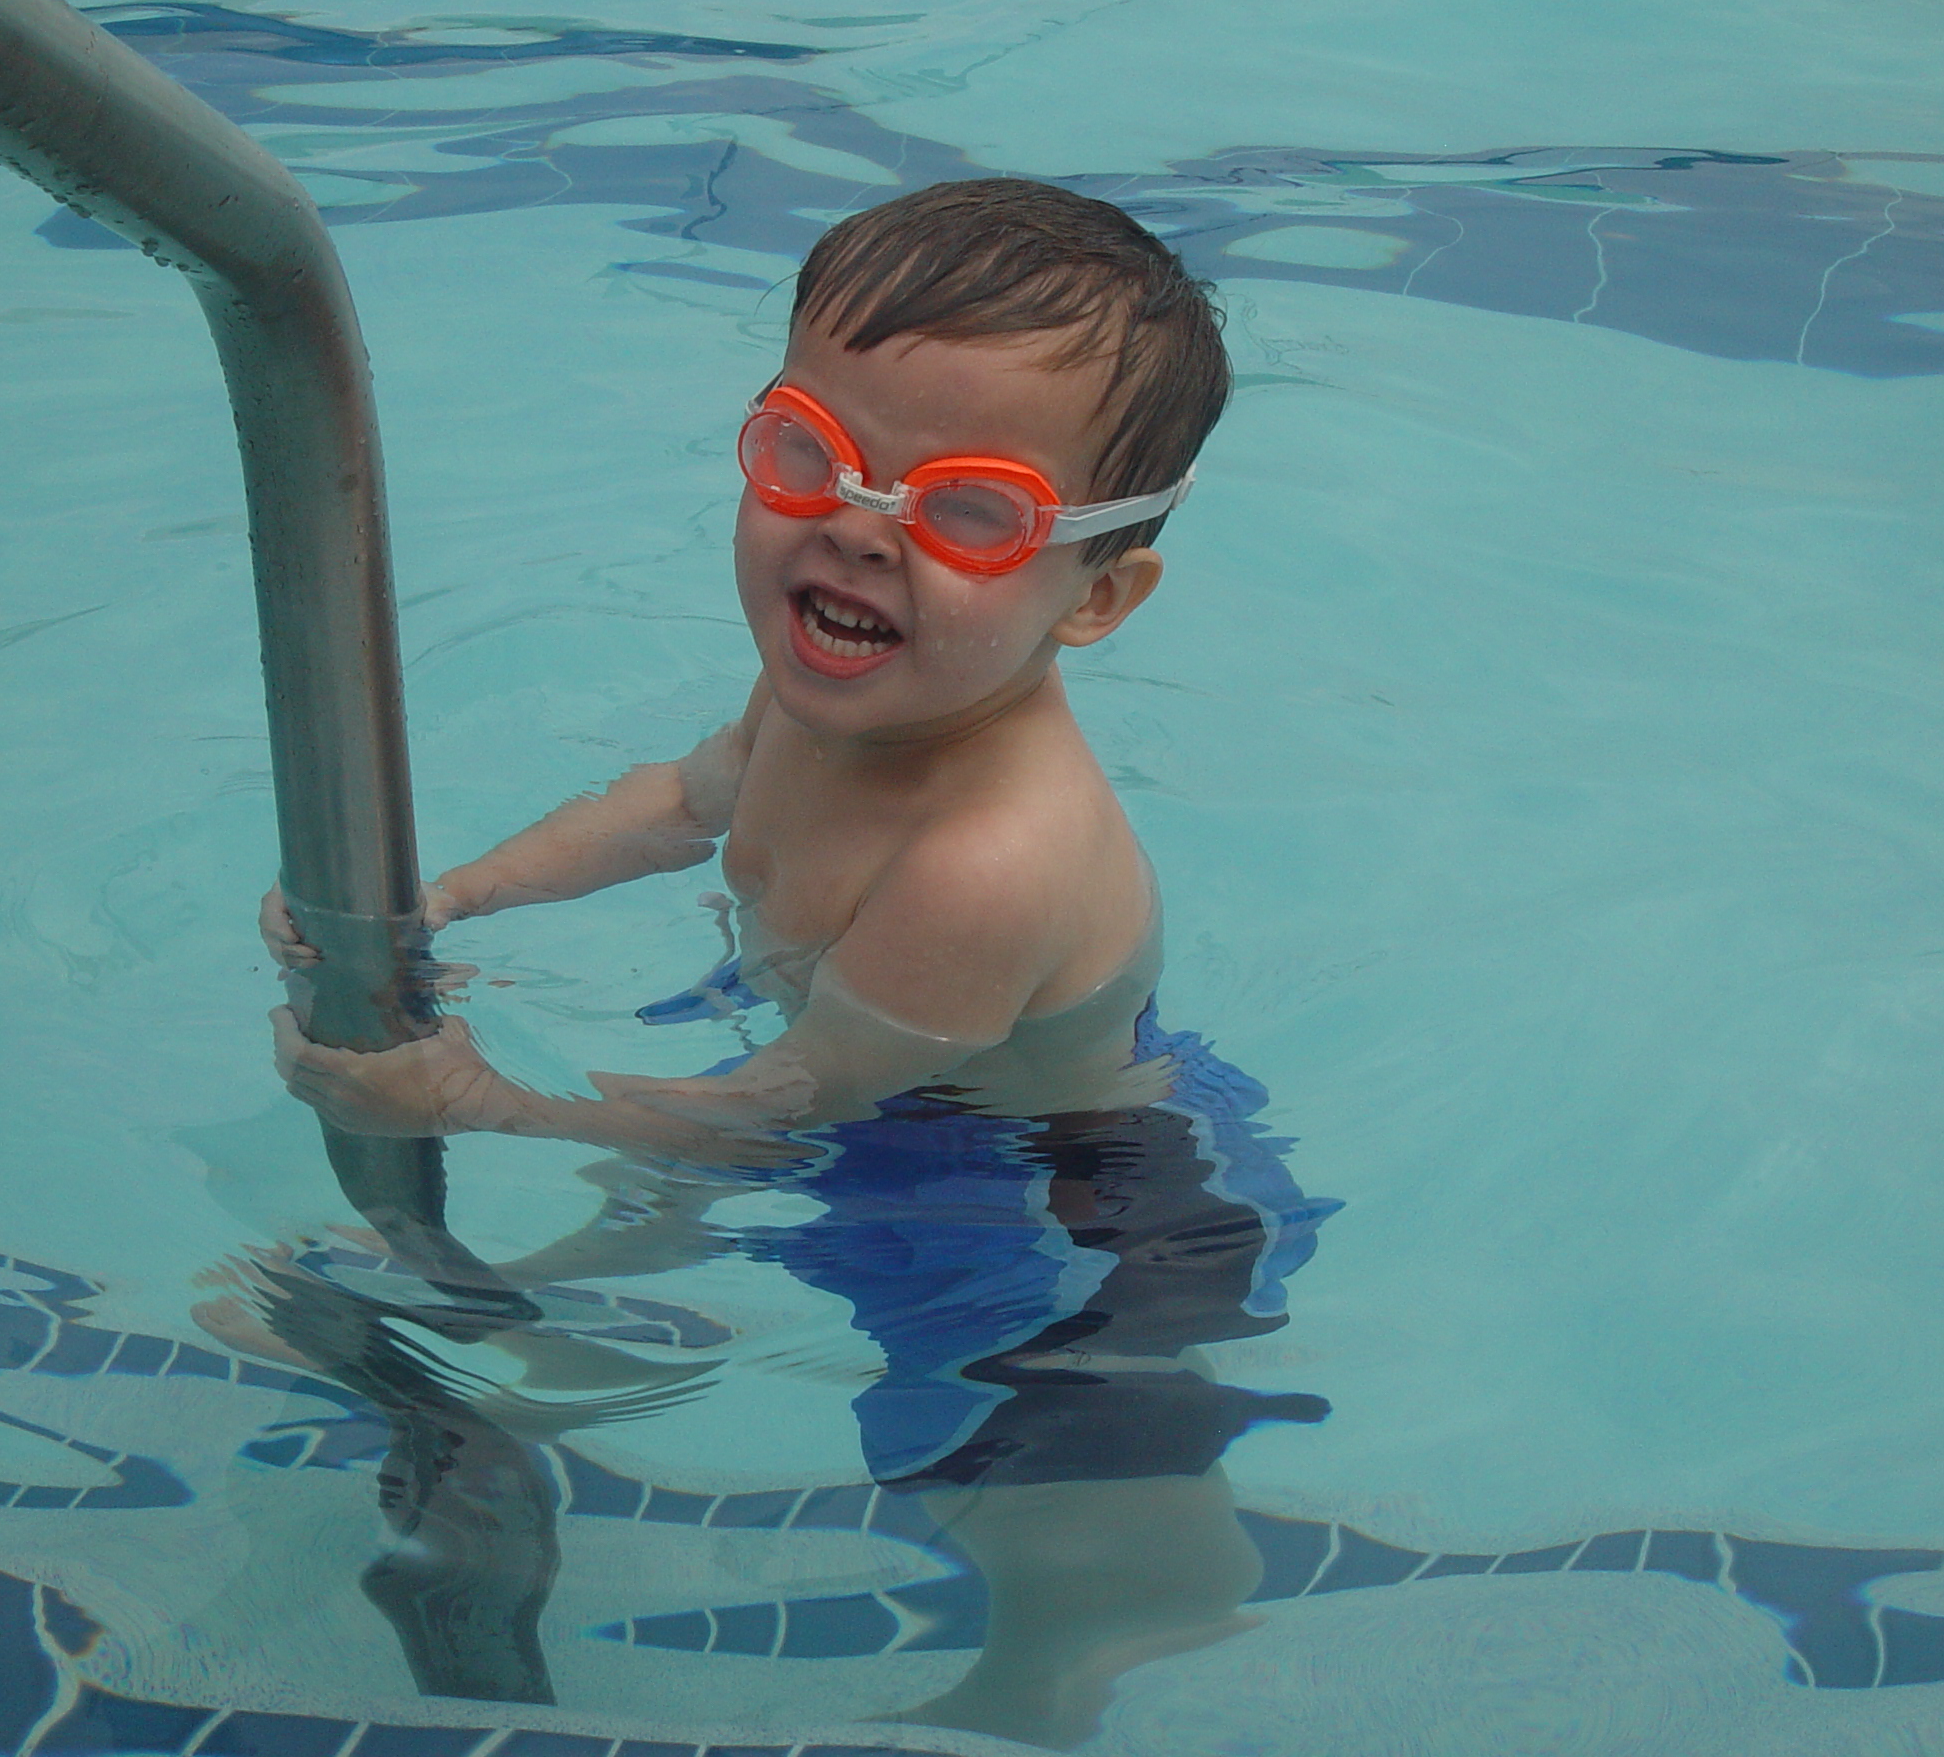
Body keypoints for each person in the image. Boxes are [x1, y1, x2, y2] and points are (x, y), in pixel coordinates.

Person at [255, 178, 1333, 1749]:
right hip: (878, 1090)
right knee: (677, 1208)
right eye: (811, 455)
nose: (853, 527)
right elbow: (677, 808)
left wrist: (478, 1100)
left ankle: (1099, 1647)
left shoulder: (986, 865)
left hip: (1061, 1195)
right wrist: (446, 898)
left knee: (1013, 1473)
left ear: (1095, 594)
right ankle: (479, 1349)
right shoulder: (827, 690)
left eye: (968, 512)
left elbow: (777, 1109)